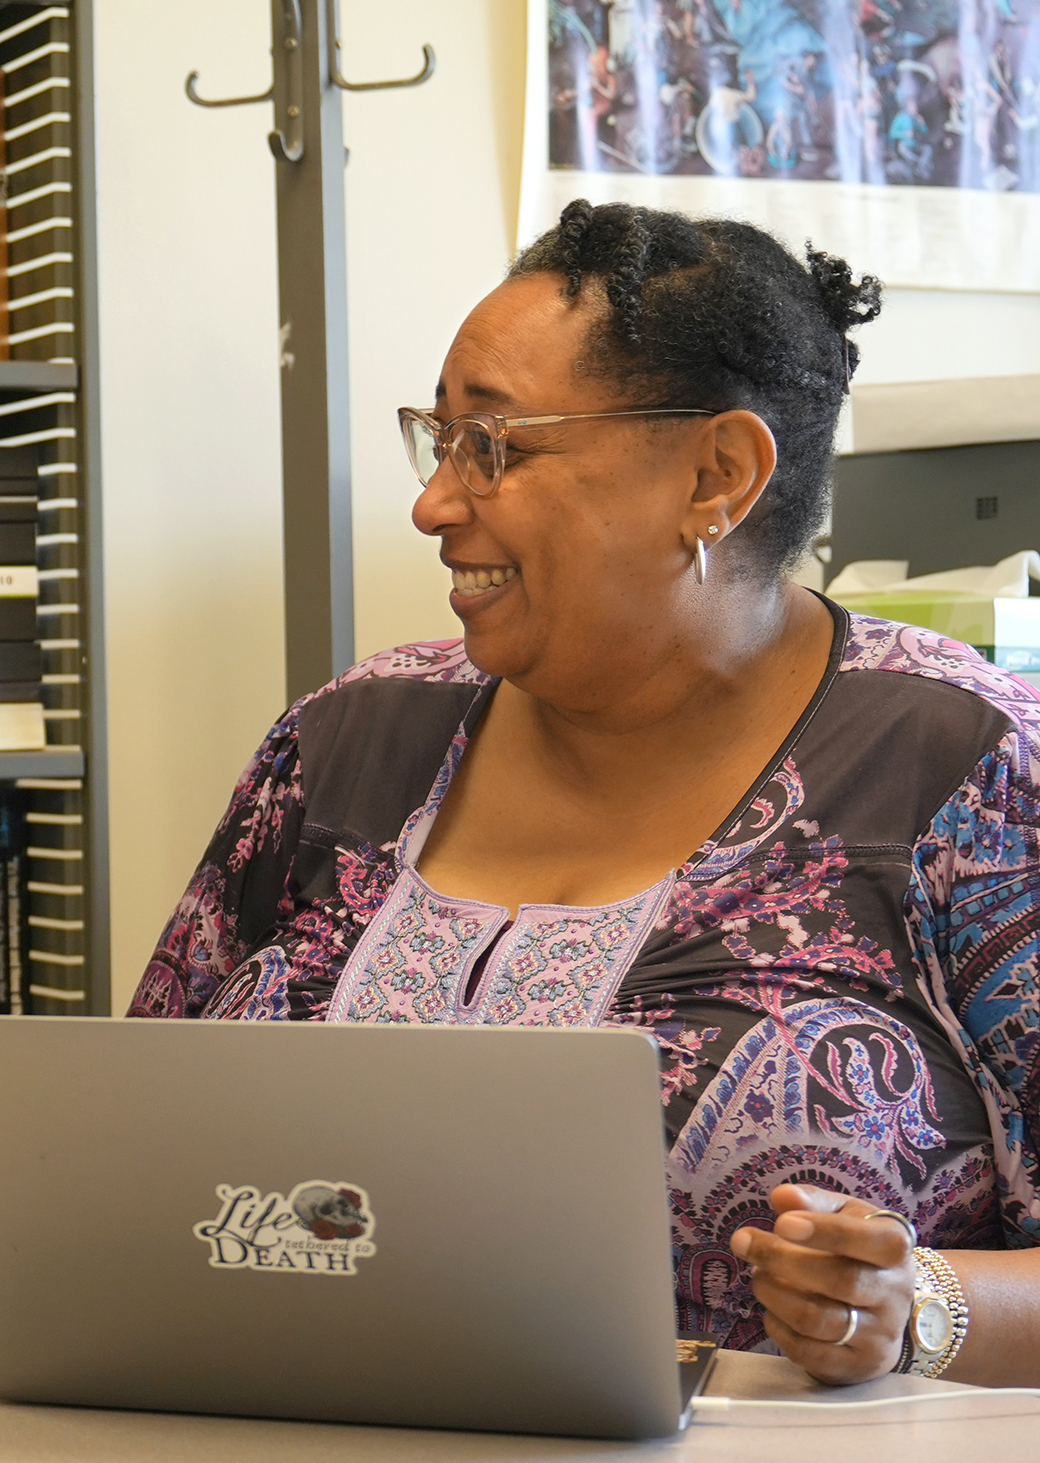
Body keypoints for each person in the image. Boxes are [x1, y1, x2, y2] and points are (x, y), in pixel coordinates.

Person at [130, 200, 1039, 1387]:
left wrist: (920, 1304)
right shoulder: (343, 741)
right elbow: (126, 1146)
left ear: (716, 475)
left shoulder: (964, 766)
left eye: (492, 445)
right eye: (437, 440)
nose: (433, 502)